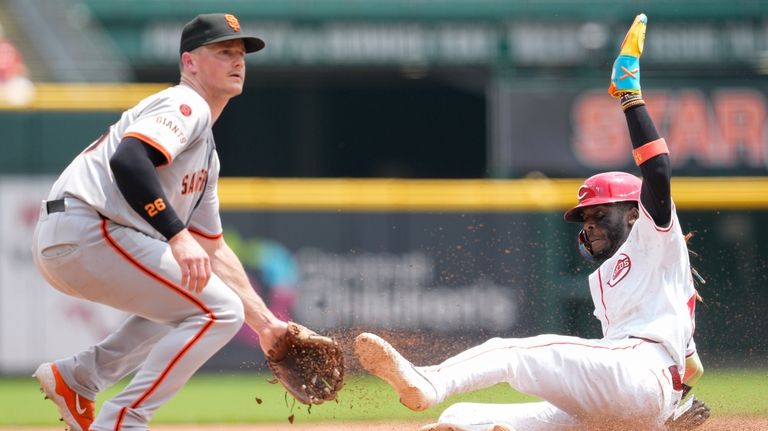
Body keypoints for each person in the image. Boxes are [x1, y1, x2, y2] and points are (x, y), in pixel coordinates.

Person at [355, 14, 710, 431]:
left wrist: (629, 94)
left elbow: (659, 172)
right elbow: (693, 368)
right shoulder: (608, 280)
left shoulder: (654, 236)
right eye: (585, 218)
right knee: (462, 418)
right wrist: (665, 412)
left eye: (600, 214)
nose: (590, 224)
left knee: (513, 351)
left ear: (634, 212)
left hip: (636, 373)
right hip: (631, 399)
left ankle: (430, 382)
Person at [32, 13, 292, 431]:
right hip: (89, 227)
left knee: (194, 296)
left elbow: (212, 249)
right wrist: (176, 234)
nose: (237, 61)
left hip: (76, 237)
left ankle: (79, 377)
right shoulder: (184, 104)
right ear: (189, 62)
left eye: (241, 53)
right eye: (223, 51)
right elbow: (129, 160)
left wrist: (266, 324)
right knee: (219, 310)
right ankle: (123, 422)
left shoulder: (206, 152)